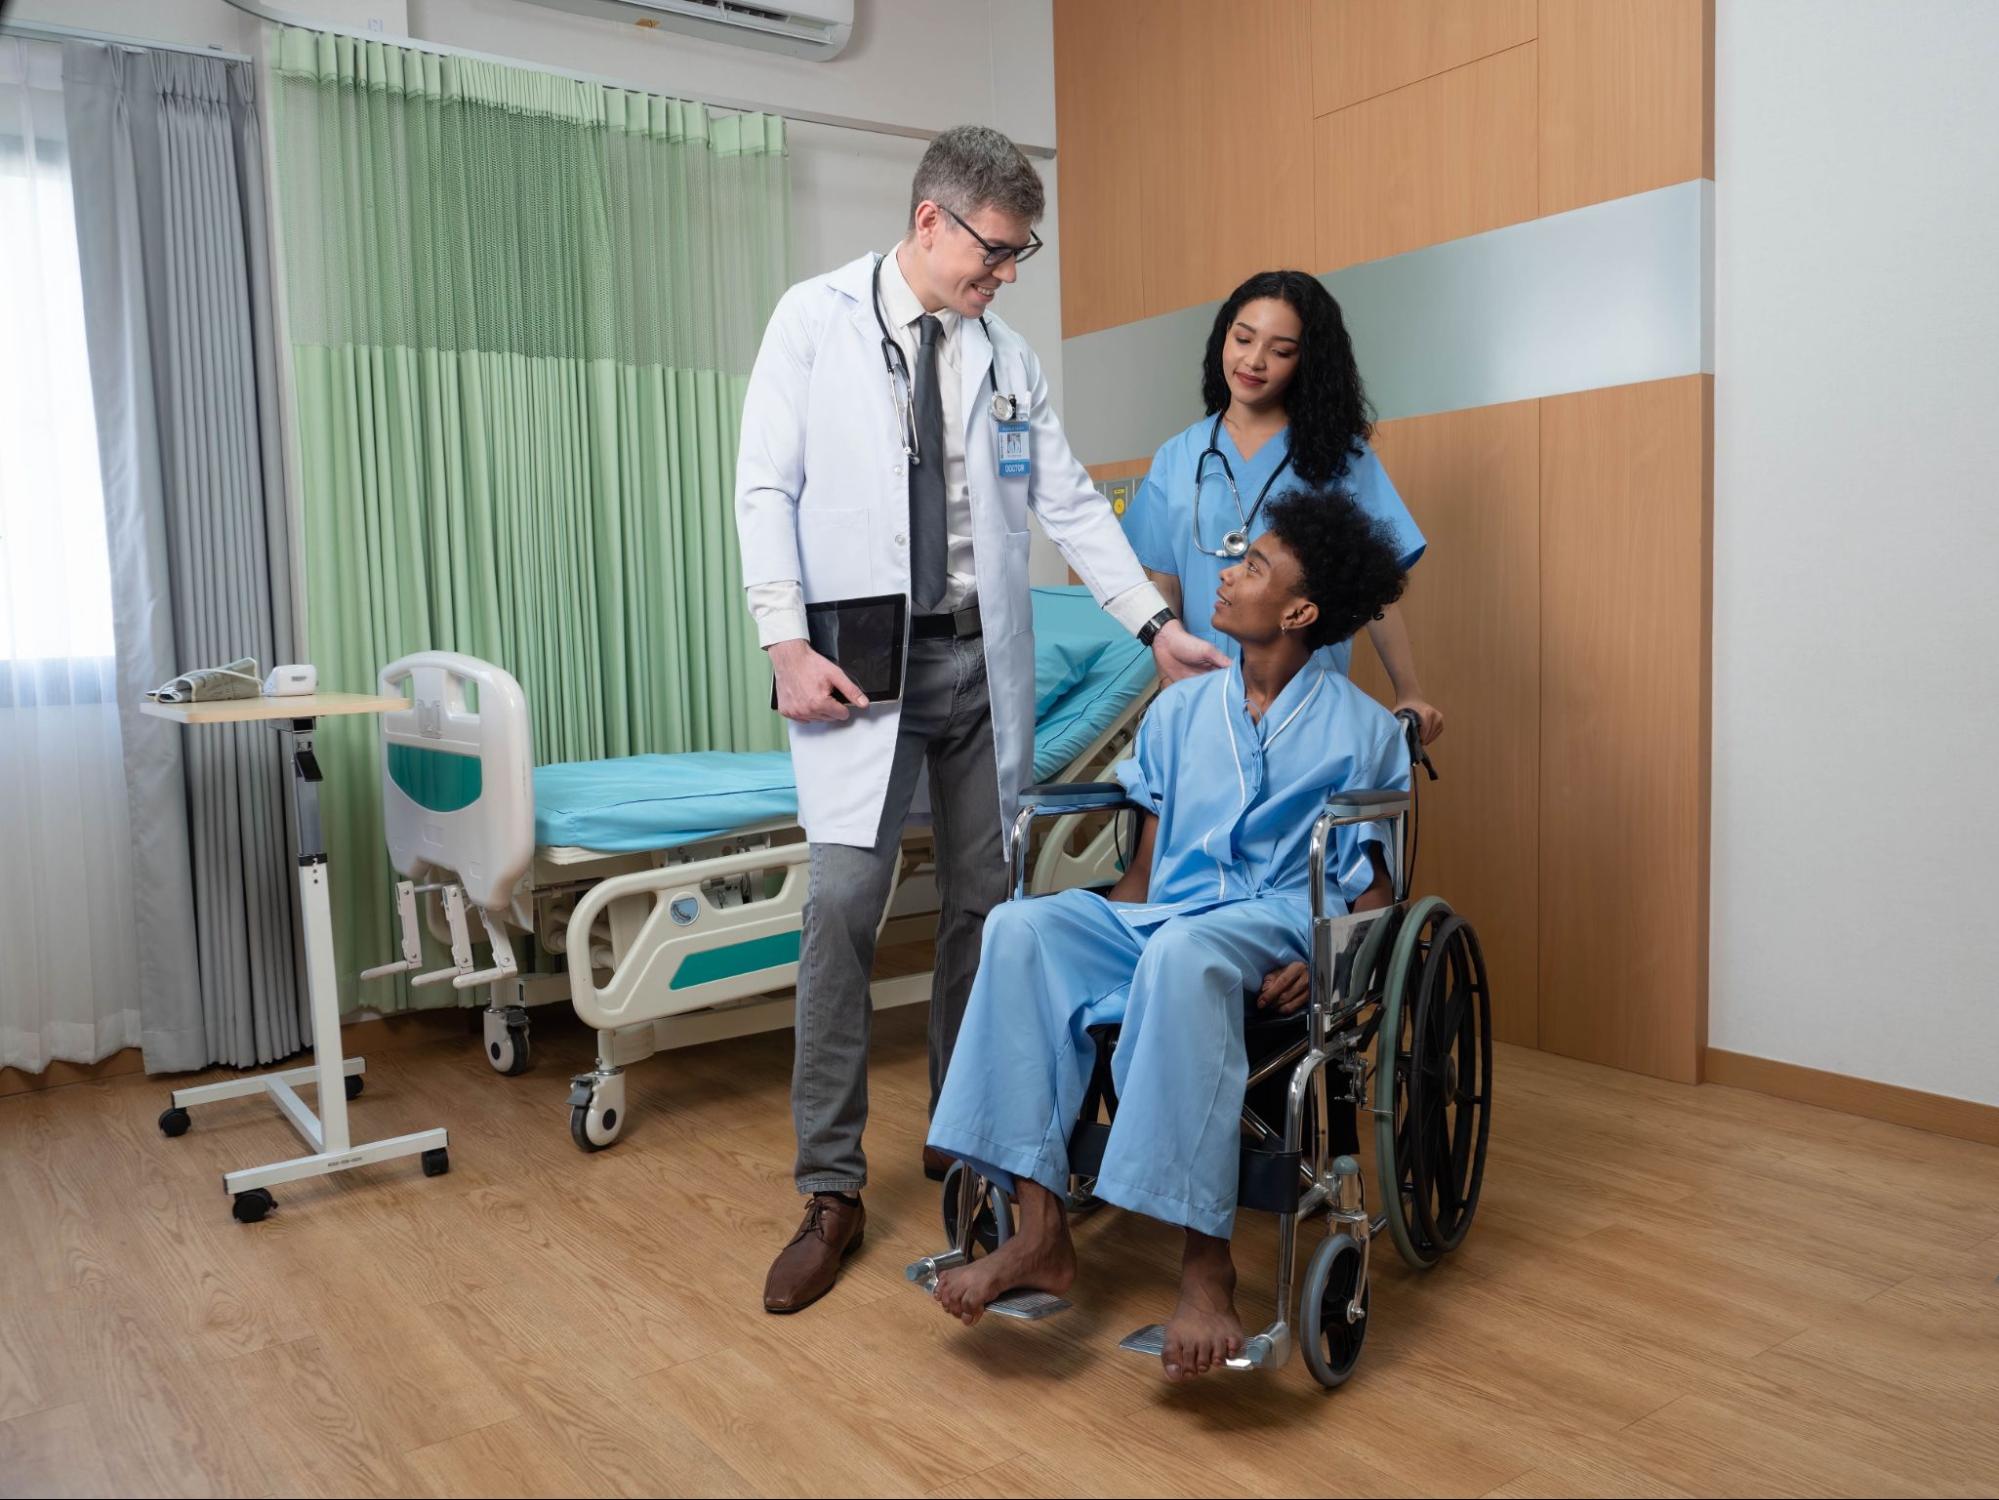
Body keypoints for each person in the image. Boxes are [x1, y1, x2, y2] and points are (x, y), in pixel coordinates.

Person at [734, 126, 1228, 1316]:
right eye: (995, 253)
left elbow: (1064, 499)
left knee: (982, 914)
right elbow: (766, 486)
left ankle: (964, 1141)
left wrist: (1151, 625)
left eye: (1020, 257)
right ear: (929, 223)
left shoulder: (1007, 357)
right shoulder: (812, 320)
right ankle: (830, 1189)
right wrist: (782, 642)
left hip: (974, 667)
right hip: (858, 671)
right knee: (843, 908)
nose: (1005, 276)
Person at [924, 489, 1412, 1381]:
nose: (1226, 574)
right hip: (1166, 917)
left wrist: (1322, 958)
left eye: (1253, 566)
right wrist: (1101, 934)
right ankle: (1038, 1231)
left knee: (1185, 956)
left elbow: (1373, 888)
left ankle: (1205, 1267)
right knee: (1020, 927)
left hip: (1269, 925)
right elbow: (1143, 872)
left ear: (1300, 611)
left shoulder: (1364, 732)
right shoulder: (1179, 711)